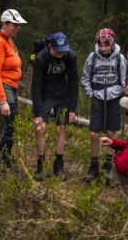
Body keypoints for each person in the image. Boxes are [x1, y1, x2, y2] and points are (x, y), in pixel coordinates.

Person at [81, 28, 128, 184]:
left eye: (106, 45)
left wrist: (126, 89)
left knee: (111, 132)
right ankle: (94, 166)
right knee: (94, 134)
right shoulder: (93, 57)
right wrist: (90, 93)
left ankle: (108, 166)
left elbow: (127, 82)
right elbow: (85, 78)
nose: (103, 48)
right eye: (100, 45)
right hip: (97, 97)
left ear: (112, 44)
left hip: (114, 98)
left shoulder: (120, 59)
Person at [31, 32, 79, 181]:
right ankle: (40, 165)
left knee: (61, 128)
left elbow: (74, 82)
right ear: (50, 46)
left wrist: (72, 108)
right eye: (58, 50)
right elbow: (36, 86)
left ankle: (58, 165)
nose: (61, 53)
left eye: (63, 49)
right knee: (40, 128)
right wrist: (38, 112)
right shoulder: (41, 58)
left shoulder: (70, 56)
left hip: (63, 94)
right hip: (45, 94)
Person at [0, 9, 27, 172]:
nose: (17, 28)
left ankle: (0, 165)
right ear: (4, 24)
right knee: (11, 124)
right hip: (0, 86)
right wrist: (2, 101)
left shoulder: (8, 40)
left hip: (9, 86)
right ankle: (4, 162)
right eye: (14, 25)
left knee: (7, 125)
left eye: (19, 25)